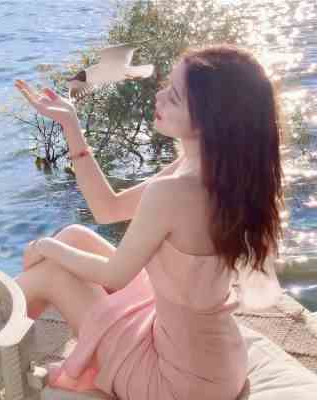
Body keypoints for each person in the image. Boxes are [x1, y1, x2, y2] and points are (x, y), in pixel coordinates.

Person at [14, 43, 285, 400]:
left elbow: (113, 275)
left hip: (179, 383)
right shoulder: (219, 170)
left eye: (174, 96)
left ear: (209, 119)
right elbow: (108, 208)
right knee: (75, 235)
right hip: (215, 361)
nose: (159, 96)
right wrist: (70, 124)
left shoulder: (175, 191)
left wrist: (45, 246)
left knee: (49, 272)